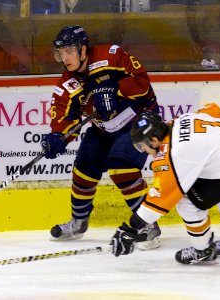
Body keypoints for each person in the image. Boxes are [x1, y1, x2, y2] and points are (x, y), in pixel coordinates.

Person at [41, 25, 161, 250]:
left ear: (83, 49)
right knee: (84, 167)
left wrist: (116, 88)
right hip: (104, 127)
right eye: (61, 53)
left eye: (69, 51)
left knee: (121, 166)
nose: (65, 58)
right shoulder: (67, 85)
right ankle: (78, 222)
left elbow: (142, 82)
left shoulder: (112, 55)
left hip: (140, 121)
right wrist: (58, 137)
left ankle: (147, 225)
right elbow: (65, 118)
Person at [111, 103, 220, 264]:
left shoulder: (172, 154)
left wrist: (131, 229)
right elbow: (214, 109)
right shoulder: (181, 119)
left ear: (154, 140)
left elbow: (159, 201)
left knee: (186, 201)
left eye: (142, 146)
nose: (144, 151)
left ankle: (202, 250)